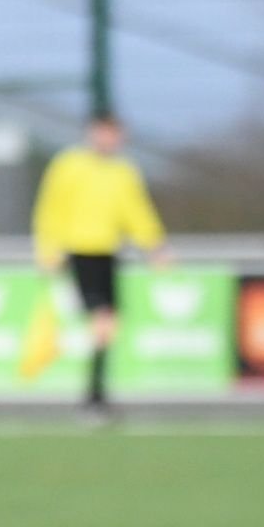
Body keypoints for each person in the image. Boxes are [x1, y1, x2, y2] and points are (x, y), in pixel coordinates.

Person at [33, 112, 169, 417]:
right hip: (78, 251)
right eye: (105, 132)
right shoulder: (69, 165)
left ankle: (96, 393)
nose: (110, 139)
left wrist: (154, 245)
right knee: (101, 319)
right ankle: (93, 397)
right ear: (93, 133)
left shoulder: (123, 171)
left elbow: (136, 211)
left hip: (108, 252)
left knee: (109, 324)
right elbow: (50, 207)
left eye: (115, 133)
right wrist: (48, 249)